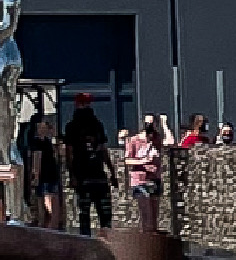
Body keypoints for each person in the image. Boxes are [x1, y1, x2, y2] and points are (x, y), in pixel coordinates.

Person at [63, 95, 113, 234]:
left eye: (87, 103)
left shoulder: (96, 124)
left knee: (104, 213)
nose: (85, 106)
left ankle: (106, 242)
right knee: (85, 213)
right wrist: (72, 175)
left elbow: (103, 149)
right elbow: (69, 152)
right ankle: (88, 242)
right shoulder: (73, 126)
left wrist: (112, 172)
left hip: (96, 175)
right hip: (83, 176)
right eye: (83, 103)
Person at [121, 115, 164, 233]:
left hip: (154, 178)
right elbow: (127, 160)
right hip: (140, 179)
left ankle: (153, 238)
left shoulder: (156, 139)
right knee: (146, 212)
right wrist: (142, 161)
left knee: (154, 215)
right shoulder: (134, 140)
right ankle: (146, 235)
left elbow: (169, 142)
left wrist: (164, 125)